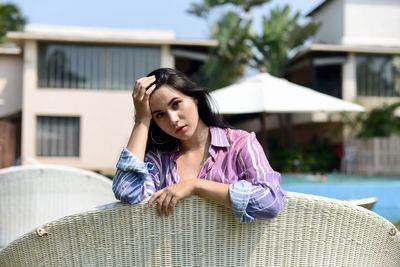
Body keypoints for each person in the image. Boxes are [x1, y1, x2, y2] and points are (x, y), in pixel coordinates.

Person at [112, 68, 286, 223]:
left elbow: (270, 201)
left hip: (232, 258)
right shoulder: (159, 159)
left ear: (194, 98)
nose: (173, 119)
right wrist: (142, 119)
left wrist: (196, 185)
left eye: (176, 104)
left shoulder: (240, 143)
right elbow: (127, 191)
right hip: (173, 258)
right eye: (159, 115)